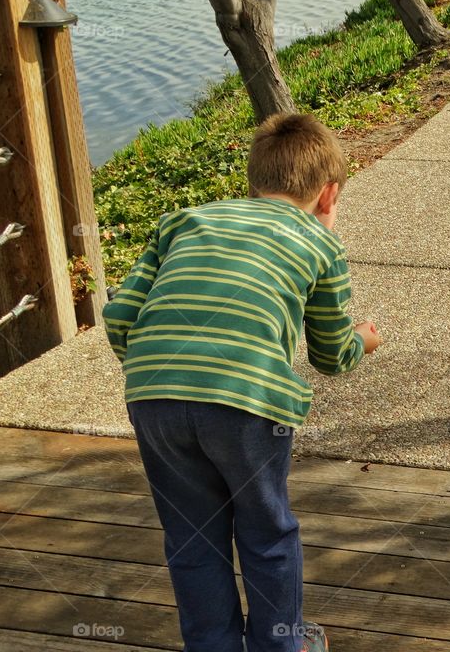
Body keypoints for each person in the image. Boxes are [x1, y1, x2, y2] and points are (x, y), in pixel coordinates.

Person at [103, 113, 381, 652]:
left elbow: (119, 318)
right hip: (249, 403)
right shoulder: (322, 246)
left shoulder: (184, 220)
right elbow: (330, 353)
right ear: (329, 195)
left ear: (252, 186)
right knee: (265, 531)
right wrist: (363, 340)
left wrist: (158, 372)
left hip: (153, 395)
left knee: (192, 536)